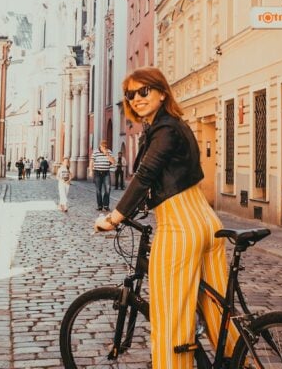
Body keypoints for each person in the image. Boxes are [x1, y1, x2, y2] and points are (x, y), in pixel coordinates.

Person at [94, 67, 232, 367]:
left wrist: (115, 217)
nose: (137, 98)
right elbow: (176, 177)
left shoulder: (165, 129)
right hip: (208, 225)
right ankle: (244, 361)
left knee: (171, 318)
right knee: (219, 316)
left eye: (144, 91)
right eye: (131, 94)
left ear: (162, 92)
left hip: (180, 228)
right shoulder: (177, 126)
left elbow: (145, 175)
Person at [91, 140, 115, 211]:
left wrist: (107, 154)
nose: (104, 147)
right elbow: (92, 161)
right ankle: (99, 206)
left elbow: (113, 162)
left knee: (108, 189)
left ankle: (106, 205)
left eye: (105, 146)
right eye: (103, 146)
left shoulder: (109, 152)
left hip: (106, 173)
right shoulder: (95, 152)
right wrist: (90, 171)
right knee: (98, 190)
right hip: (97, 172)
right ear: (100, 146)